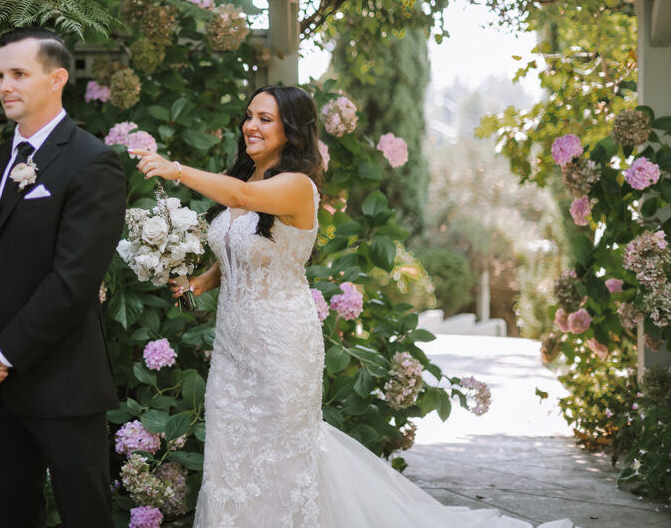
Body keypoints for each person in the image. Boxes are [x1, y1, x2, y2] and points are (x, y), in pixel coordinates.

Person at [133, 85, 573, 528]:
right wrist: (201, 281)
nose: (250, 125)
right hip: (233, 347)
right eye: (249, 115)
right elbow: (239, 247)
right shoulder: (245, 178)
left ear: (292, 129)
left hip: (280, 344)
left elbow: (243, 203)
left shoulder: (296, 187)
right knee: (233, 452)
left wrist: (175, 170)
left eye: (265, 119)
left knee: (285, 455)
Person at [0, 27, 126, 528]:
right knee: (12, 516)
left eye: (19, 74)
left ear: (57, 78)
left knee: (86, 516)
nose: (5, 85)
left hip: (64, 384)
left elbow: (73, 281)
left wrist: (2, 355)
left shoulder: (93, 163)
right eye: (1, 75)